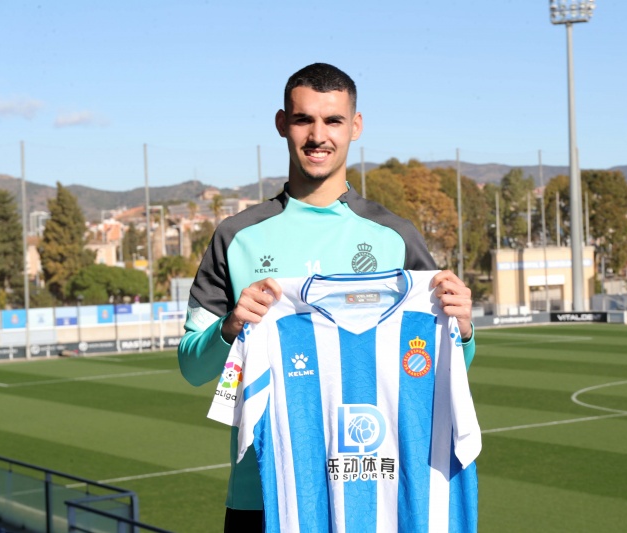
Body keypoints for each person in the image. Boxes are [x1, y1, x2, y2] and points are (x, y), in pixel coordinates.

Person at [178, 62, 476, 532]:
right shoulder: (237, 238)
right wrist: (230, 327)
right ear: (282, 124)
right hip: (263, 495)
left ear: (355, 126)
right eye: (303, 120)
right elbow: (192, 367)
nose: (318, 136)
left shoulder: (394, 237)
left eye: (333, 120)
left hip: (372, 489)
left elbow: (437, 359)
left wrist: (462, 326)